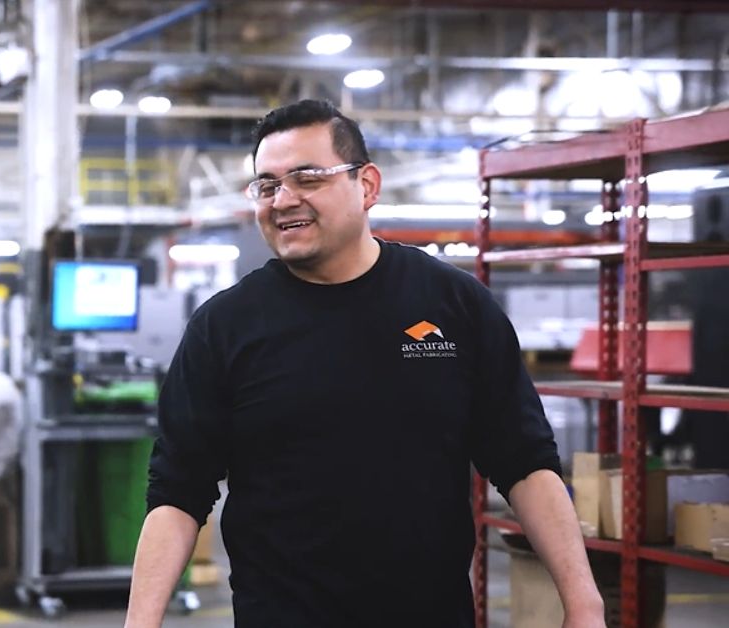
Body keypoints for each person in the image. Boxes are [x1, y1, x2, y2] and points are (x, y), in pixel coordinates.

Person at [124, 100, 605, 627]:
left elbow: (525, 463)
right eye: (267, 185)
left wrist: (584, 604)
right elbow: (177, 491)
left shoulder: (455, 306)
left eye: (307, 177)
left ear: (368, 185)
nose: (284, 200)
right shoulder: (224, 328)